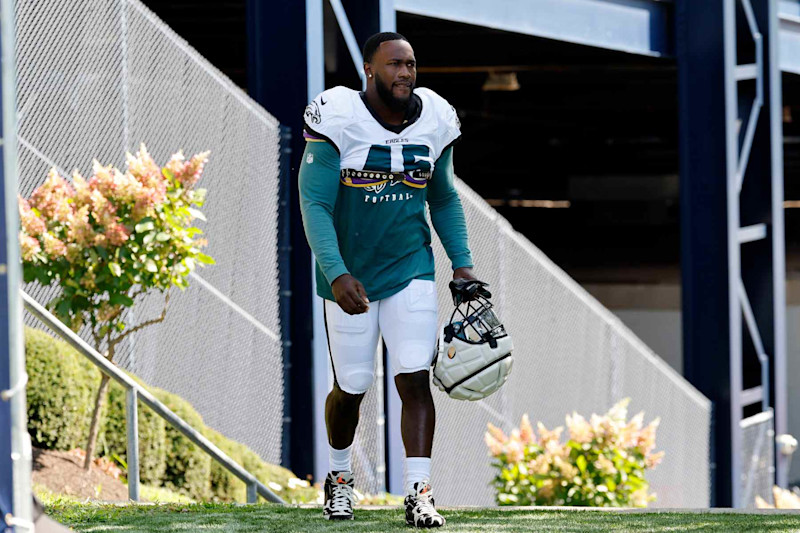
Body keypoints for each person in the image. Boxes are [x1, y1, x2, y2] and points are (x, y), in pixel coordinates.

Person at [299, 31, 476, 528]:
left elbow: (442, 197)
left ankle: (419, 493)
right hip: (350, 274)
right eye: (394, 65)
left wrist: (461, 263)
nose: (405, 73)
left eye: (411, 65)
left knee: (415, 376)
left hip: (410, 266)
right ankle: (338, 481)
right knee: (351, 387)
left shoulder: (435, 118)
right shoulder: (337, 117)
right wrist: (336, 273)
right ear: (369, 71)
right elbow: (314, 203)